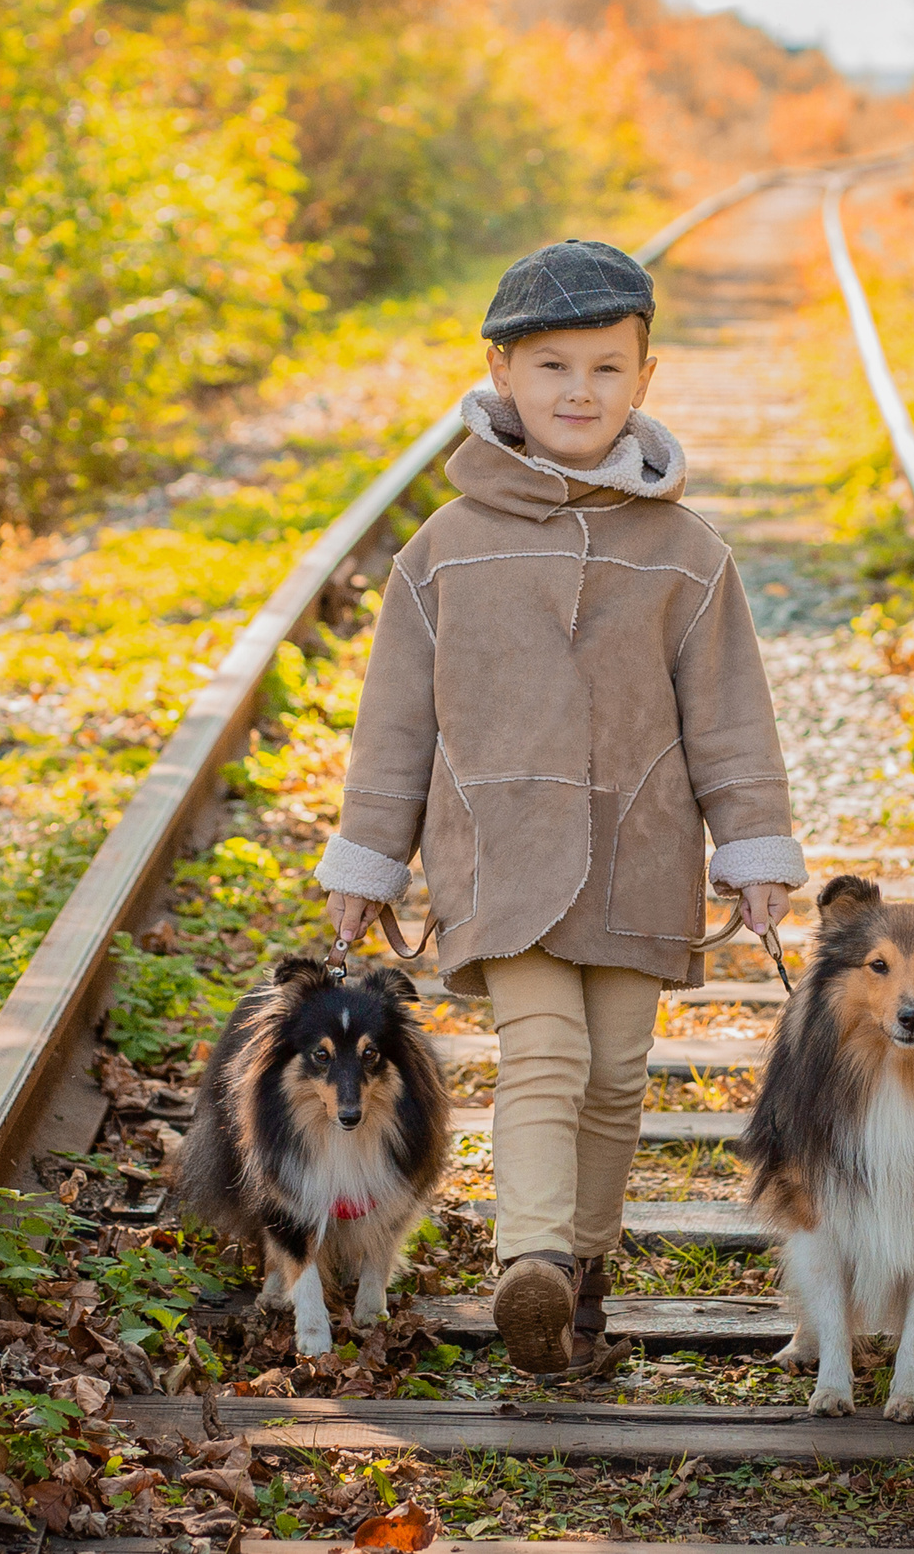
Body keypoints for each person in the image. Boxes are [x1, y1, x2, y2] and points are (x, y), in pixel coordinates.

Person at [315, 238, 805, 1377]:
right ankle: (527, 1263)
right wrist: (367, 860)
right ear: (499, 375)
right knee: (542, 1054)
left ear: (645, 378)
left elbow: (730, 712)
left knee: (619, 1071)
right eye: (550, 368)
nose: (576, 392)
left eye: (602, 367)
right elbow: (394, 723)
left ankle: (581, 1273)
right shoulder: (443, 551)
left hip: (641, 853)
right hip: (497, 852)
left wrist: (751, 844)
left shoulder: (686, 553)